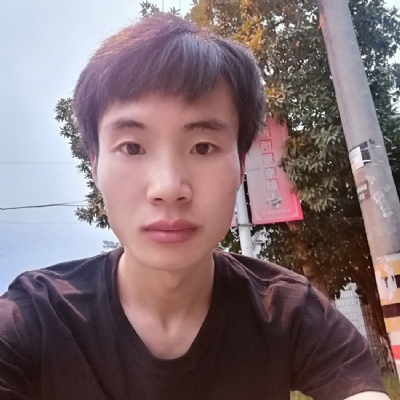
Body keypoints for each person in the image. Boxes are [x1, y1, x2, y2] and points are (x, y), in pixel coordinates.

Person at [0, 13, 390, 400]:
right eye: (132, 147)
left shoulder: (287, 311)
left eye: (203, 147)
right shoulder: (34, 319)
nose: (169, 188)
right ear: (95, 166)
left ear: (240, 166)